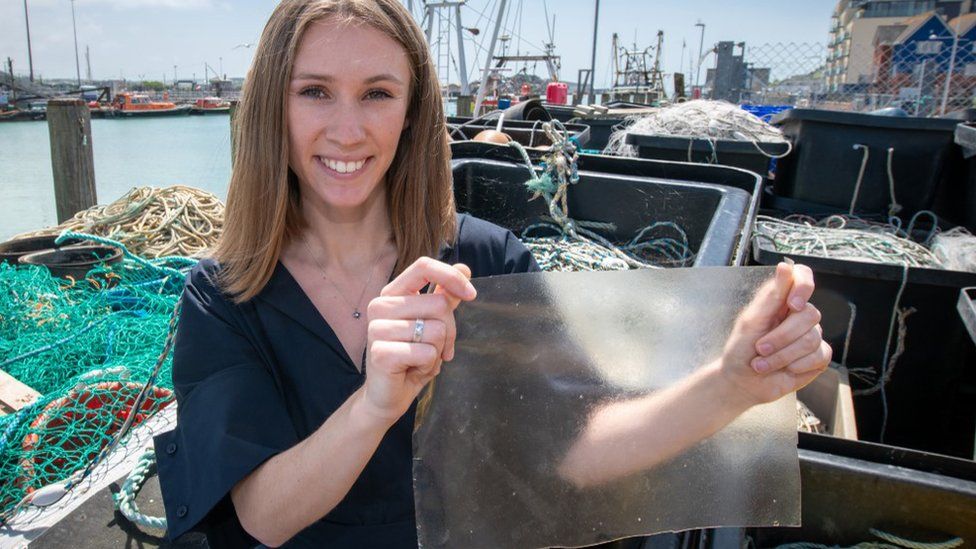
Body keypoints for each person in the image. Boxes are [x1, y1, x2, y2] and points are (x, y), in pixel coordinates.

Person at [153, 1, 831, 547]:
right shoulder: (224, 295)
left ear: (414, 111)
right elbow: (262, 516)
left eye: (378, 93)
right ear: (274, 106)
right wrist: (374, 405)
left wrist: (734, 382)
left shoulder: (487, 263)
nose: (348, 128)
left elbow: (576, 445)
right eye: (316, 92)